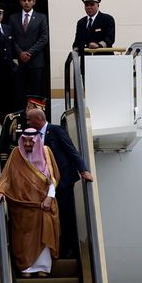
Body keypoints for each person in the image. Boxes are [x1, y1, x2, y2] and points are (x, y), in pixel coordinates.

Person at [27, 107, 94, 258]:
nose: (27, 122)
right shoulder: (33, 136)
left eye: (29, 119)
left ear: (39, 119)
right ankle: (51, 248)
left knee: (65, 215)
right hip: (45, 184)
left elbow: (71, 151)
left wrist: (83, 170)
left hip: (63, 182)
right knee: (50, 217)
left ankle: (67, 249)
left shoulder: (56, 131)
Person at [0, 128, 60, 277]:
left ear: (37, 140)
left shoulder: (46, 152)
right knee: (23, 236)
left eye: (31, 141)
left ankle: (43, 267)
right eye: (25, 140)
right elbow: (7, 177)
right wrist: (1, 191)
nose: (28, 144)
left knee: (45, 232)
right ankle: (26, 268)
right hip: (21, 205)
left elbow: (52, 179)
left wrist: (49, 198)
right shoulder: (16, 154)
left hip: (44, 204)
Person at [9, 0, 49, 109]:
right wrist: (20, 53)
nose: (27, 3)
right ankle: (20, 120)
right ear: (20, 2)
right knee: (19, 92)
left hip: (36, 61)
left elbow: (44, 38)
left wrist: (30, 53)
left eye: (29, 0)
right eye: (24, 0)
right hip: (19, 61)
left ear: (34, 2)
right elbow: (10, 38)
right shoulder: (13, 18)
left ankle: (36, 120)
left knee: (36, 92)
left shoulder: (41, 17)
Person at [0, 95, 47, 165]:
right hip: (16, 161)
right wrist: (4, 163)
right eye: (36, 110)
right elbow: (4, 143)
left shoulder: (40, 120)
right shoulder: (13, 119)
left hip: (36, 163)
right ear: (28, 107)